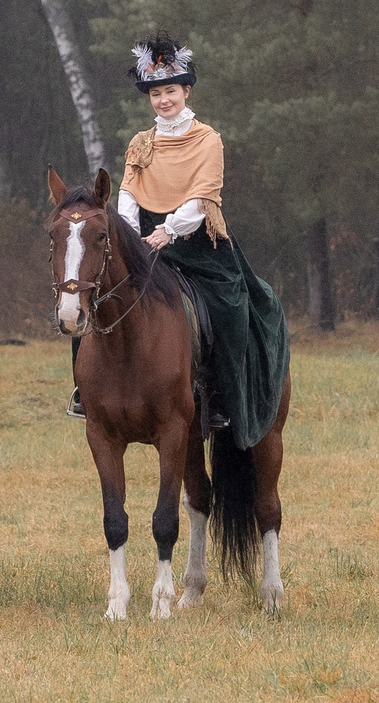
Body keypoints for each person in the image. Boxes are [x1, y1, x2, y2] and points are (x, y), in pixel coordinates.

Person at [82, 37, 288, 446]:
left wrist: (169, 230)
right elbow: (128, 192)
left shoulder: (208, 139)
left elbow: (203, 196)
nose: (163, 101)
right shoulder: (140, 142)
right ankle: (86, 393)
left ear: (186, 91)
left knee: (231, 307)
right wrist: (130, 232)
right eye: (156, 93)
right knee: (92, 296)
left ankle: (228, 399)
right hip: (143, 240)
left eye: (170, 91)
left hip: (198, 243)